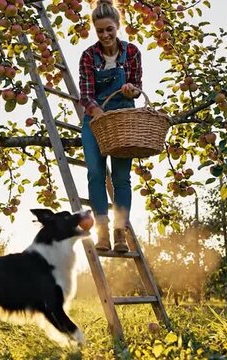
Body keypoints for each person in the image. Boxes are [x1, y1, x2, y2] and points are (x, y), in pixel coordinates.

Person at [79, 0, 142, 252]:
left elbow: (138, 86)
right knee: (95, 173)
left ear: (118, 27)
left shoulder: (132, 52)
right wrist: (98, 112)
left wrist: (131, 90)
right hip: (96, 119)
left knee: (121, 178)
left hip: (122, 120)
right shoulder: (88, 56)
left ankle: (120, 233)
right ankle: (102, 233)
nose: (105, 35)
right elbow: (85, 95)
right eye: (100, 31)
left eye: (109, 29)